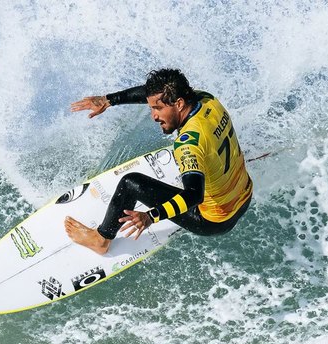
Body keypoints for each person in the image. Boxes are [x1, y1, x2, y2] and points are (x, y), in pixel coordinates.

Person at [65, 68, 253, 255]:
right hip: (245, 196)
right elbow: (157, 94)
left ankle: (101, 240)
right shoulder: (207, 100)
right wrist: (108, 100)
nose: (154, 116)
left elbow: (194, 196)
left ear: (178, 104)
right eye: (152, 108)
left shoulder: (188, 144)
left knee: (131, 183)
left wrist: (151, 216)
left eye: (158, 109)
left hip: (215, 220)